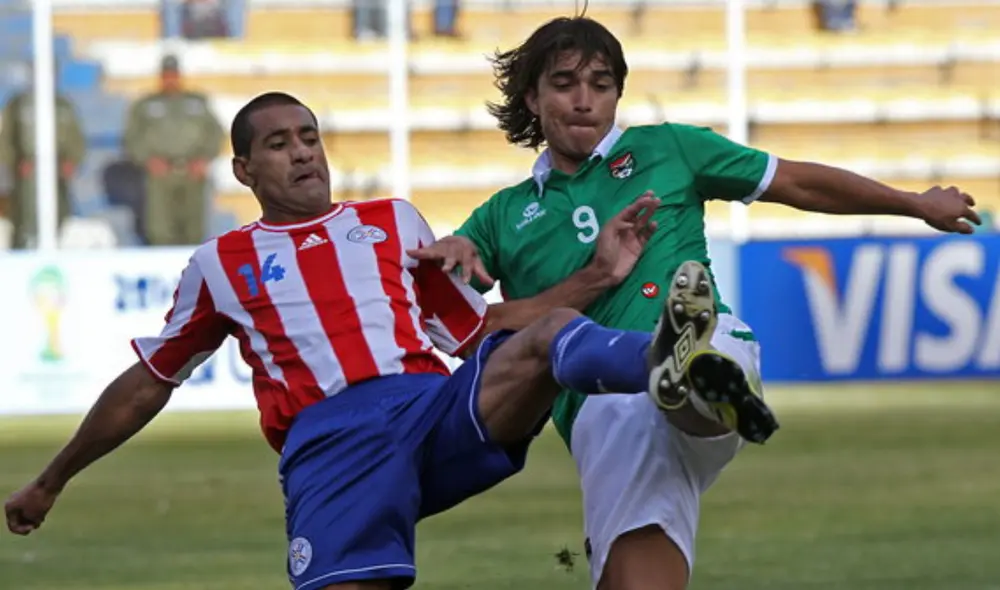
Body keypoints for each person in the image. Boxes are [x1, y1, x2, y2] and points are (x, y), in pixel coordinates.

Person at [5, 91, 696, 590]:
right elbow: (150, 380)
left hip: (434, 412)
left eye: (309, 136)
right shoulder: (221, 264)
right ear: (244, 171)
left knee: (547, 336)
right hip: (335, 443)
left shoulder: (395, 221)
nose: (303, 151)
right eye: (279, 144)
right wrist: (51, 479)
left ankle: (670, 362)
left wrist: (597, 275)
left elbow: (480, 332)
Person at [421, 16, 981, 590]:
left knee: (696, 359)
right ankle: (682, 375)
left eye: (602, 83)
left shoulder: (669, 149)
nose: (586, 100)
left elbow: (797, 183)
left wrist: (913, 203)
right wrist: (591, 278)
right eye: (565, 84)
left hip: (702, 344)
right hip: (599, 408)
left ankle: (690, 375)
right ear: (532, 97)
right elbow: (467, 333)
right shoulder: (500, 217)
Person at [122, 54, 224, 246]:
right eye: (166, 74)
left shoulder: (198, 102)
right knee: (160, 230)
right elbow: (132, 137)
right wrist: (147, 160)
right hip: (160, 174)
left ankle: (194, 273)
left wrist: (205, 158)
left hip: (192, 171)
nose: (170, 79)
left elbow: (215, 133)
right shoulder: (145, 105)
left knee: (194, 230)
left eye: (174, 74)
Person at [0, 67, 86, 250]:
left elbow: (76, 138)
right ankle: (22, 254)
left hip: (56, 170)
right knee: (25, 217)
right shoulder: (18, 104)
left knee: (58, 213)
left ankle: (55, 249)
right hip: (27, 171)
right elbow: (6, 139)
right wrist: (15, 163)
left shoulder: (63, 105)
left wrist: (72, 160)